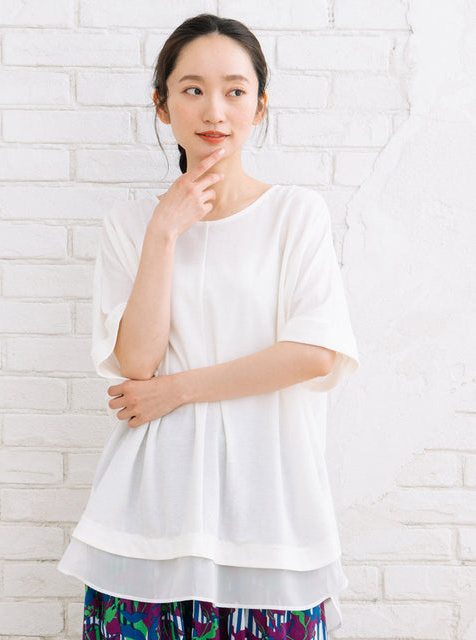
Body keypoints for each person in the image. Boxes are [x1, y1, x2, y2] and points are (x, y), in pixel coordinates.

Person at [57, 12, 360, 640]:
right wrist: (164, 232)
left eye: (235, 90)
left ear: (260, 105)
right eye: (192, 89)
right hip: (148, 516)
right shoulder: (132, 224)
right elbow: (136, 363)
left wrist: (175, 390)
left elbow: (313, 354)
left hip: (271, 519)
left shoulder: (296, 214)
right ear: (162, 105)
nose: (214, 110)